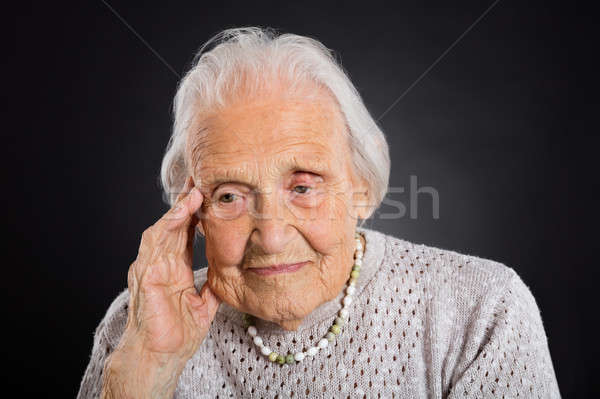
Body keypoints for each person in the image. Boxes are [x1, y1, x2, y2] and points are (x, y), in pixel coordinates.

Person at [77, 27, 561, 398]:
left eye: (303, 186)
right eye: (229, 196)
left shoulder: (483, 311)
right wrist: (144, 370)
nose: (270, 235)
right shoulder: (136, 326)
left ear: (362, 187)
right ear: (192, 213)